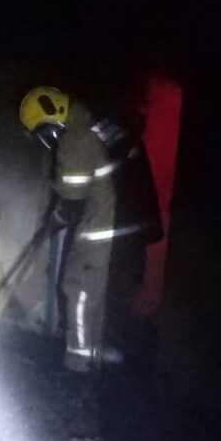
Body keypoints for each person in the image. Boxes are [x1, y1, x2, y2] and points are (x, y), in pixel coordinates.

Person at [19, 86, 160, 372]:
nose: (49, 143)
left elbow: (71, 202)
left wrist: (50, 223)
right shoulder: (98, 125)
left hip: (103, 232)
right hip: (128, 231)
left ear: (53, 116)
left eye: (46, 133)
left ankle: (78, 366)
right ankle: (97, 365)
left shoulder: (76, 137)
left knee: (78, 291)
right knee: (103, 299)